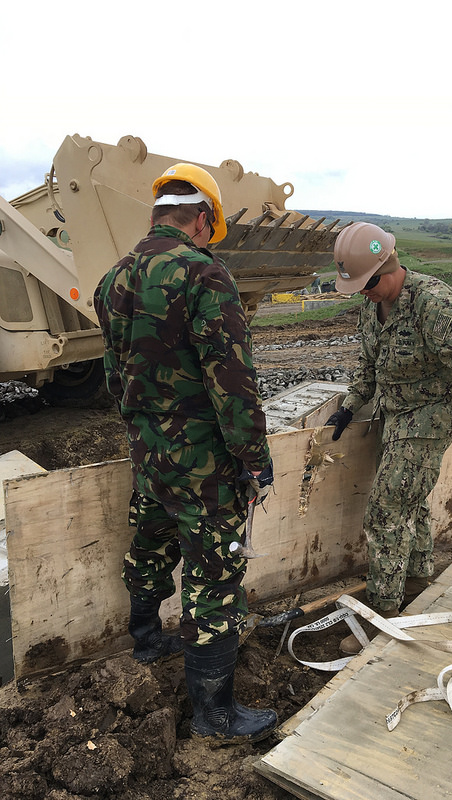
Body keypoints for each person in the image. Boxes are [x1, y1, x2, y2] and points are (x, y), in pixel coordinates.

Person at [93, 163, 277, 744]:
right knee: (215, 571)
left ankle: (146, 642)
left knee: (149, 541)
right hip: (203, 464)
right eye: (209, 228)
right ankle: (214, 713)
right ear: (202, 219)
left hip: (148, 455)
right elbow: (232, 379)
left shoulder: (111, 281)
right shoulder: (205, 276)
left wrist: (142, 432)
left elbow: (112, 372)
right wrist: (253, 457)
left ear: (157, 215)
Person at [325, 222, 452, 654]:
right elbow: (368, 365)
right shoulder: (371, 307)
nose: (362, 293)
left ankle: (384, 614)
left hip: (432, 413)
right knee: (407, 498)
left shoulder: (433, 303)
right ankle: (417, 576)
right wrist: (350, 405)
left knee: (386, 506)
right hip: (396, 413)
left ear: (386, 268)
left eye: (366, 284)